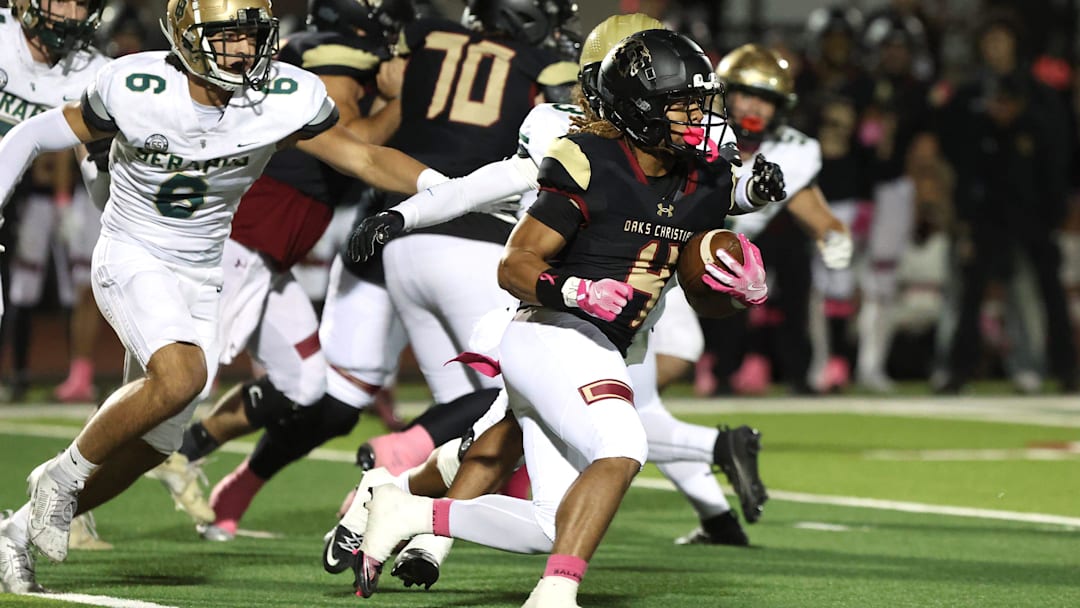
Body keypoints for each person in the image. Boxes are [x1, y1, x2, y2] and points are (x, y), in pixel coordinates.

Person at [0, 0, 444, 594]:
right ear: (185, 36)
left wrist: (452, 191)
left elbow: (362, 155)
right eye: (227, 37)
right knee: (181, 375)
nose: (242, 51)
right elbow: (33, 134)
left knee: (157, 444)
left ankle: (15, 530)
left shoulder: (282, 97)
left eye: (252, 37)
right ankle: (58, 479)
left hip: (204, 270)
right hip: (133, 251)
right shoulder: (135, 85)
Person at [350, 30, 785, 606]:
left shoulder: (706, 179)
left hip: (605, 345)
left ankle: (407, 509)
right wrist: (576, 289)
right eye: (683, 104)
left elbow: (701, 284)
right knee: (623, 446)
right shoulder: (589, 157)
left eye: (700, 103)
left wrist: (738, 287)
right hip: (549, 329)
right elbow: (515, 262)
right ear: (642, 108)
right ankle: (554, 596)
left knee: (551, 525)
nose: (699, 118)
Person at [144, 0, 421, 537]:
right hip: (242, 241)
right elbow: (357, 142)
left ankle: (190, 449)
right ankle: (73, 493)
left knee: (301, 382)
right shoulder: (332, 53)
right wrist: (404, 100)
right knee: (178, 384)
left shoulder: (318, 49)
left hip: (270, 256)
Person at [703, 43, 853, 396]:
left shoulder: (792, 150)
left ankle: (796, 373)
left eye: (765, 99)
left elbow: (815, 214)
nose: (755, 108)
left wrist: (834, 237)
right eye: (747, 96)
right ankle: (715, 367)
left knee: (789, 258)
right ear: (726, 95)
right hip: (685, 238)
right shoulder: (698, 136)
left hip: (744, 243)